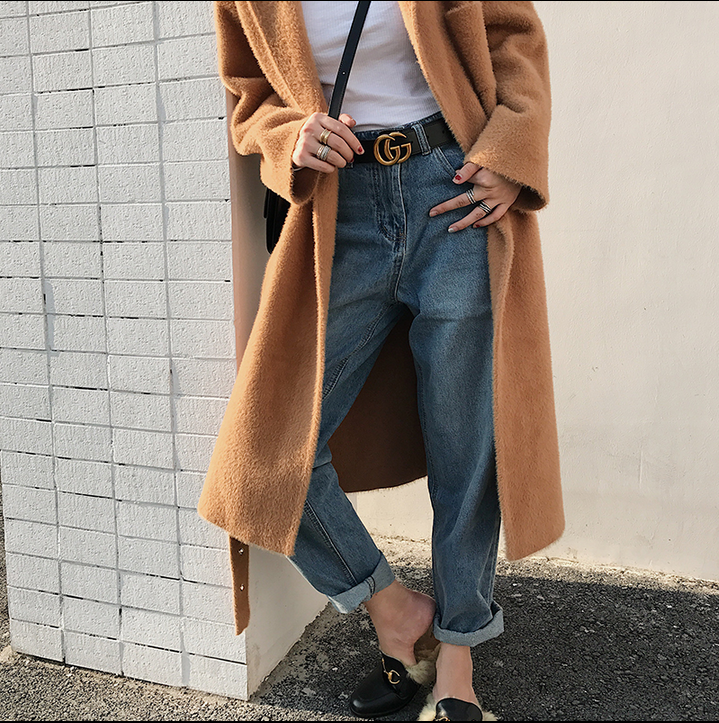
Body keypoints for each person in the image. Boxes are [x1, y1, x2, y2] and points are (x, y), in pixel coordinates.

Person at [200, 2, 564, 721]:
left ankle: (456, 653)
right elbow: (248, 95)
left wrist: (509, 152)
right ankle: (396, 611)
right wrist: (289, 137)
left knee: (467, 448)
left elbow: (513, 38)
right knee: (267, 451)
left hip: (452, 189)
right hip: (340, 208)